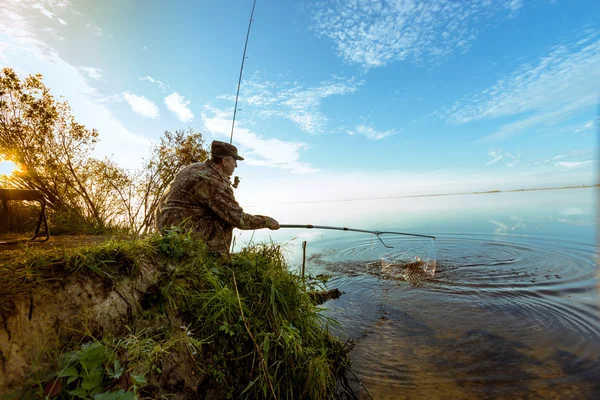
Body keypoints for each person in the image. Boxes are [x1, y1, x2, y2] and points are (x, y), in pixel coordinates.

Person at [155, 140, 280, 256]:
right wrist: (267, 221)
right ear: (224, 161)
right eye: (234, 161)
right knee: (225, 219)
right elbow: (239, 219)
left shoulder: (195, 167)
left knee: (222, 213)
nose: (236, 165)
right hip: (179, 230)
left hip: (164, 223)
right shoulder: (215, 182)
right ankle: (216, 257)